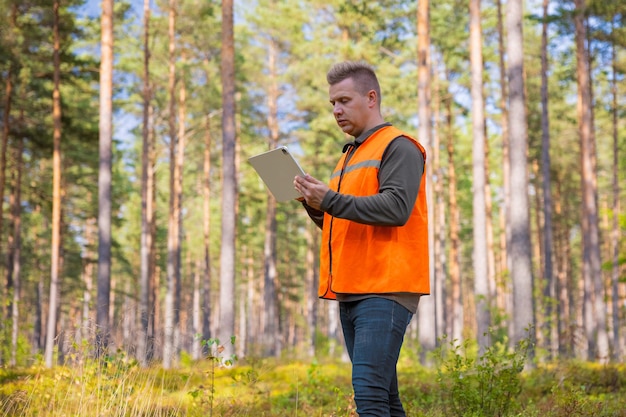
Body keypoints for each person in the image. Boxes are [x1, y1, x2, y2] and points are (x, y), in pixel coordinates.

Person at [293, 61, 430, 417]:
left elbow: (396, 208)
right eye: (332, 104)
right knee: (384, 398)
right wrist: (314, 205)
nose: (336, 110)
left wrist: (331, 200)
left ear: (371, 98)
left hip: (385, 287)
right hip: (353, 288)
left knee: (369, 395)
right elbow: (346, 222)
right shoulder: (350, 155)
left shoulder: (399, 147)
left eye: (344, 100)